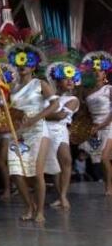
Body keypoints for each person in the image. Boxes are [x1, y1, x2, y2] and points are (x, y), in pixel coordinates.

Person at [5, 43, 58, 222]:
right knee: (16, 173)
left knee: (37, 172)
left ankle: (40, 211)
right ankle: (29, 206)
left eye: (27, 62)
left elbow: (55, 104)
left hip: (38, 130)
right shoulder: (13, 88)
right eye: (20, 62)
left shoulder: (40, 84)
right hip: (19, 133)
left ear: (33, 66)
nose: (23, 65)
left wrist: (35, 118)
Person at [45, 62, 81, 210]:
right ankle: (60, 196)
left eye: (72, 78)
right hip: (46, 131)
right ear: (58, 81)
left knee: (66, 160)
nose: (70, 81)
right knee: (54, 164)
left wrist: (41, 116)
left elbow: (60, 116)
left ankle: (63, 196)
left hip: (61, 131)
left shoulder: (73, 100)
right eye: (66, 78)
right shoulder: (49, 98)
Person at [82, 51, 112, 196]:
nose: (96, 73)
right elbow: (85, 113)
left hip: (109, 125)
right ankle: (107, 184)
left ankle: (109, 187)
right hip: (95, 127)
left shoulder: (109, 89)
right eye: (94, 70)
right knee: (100, 160)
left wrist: (101, 125)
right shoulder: (87, 91)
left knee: (104, 158)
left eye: (99, 70)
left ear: (105, 73)